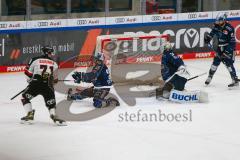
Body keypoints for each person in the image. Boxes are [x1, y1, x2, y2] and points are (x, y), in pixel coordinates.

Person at [21, 46, 66, 126]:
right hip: (48, 86)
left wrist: (30, 81)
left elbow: (27, 73)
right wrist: (53, 81)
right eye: (50, 52)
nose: (52, 54)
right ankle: (54, 116)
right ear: (47, 52)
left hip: (36, 84)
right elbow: (55, 80)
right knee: (51, 104)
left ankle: (30, 115)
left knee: (24, 97)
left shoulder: (35, 59)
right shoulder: (54, 63)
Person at [204, 13, 239, 87]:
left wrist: (226, 52)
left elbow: (232, 42)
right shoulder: (216, 26)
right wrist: (208, 38)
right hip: (219, 48)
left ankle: (234, 79)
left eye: (220, 21)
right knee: (215, 63)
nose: (218, 22)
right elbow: (212, 33)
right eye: (218, 21)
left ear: (224, 20)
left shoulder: (229, 28)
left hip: (228, 48)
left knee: (229, 63)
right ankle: (210, 76)